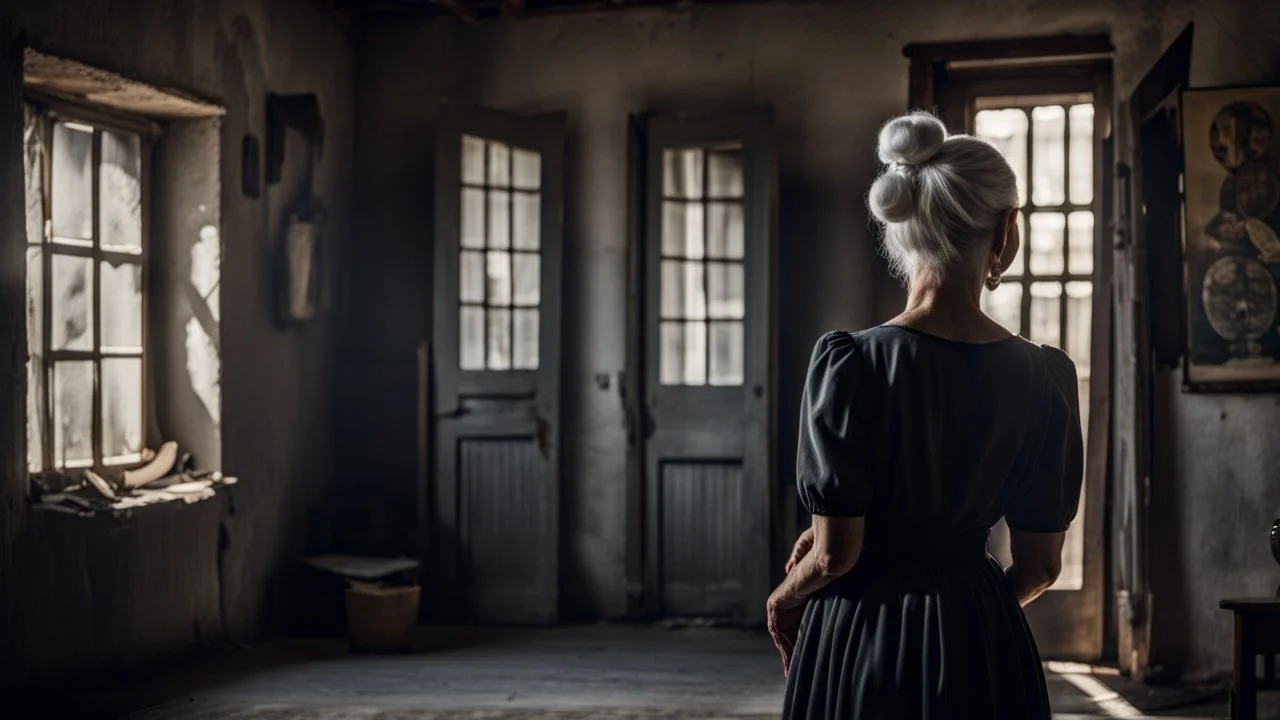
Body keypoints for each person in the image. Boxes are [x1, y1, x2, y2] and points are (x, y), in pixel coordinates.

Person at [766, 111, 1084, 719]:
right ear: (1007, 231)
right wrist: (968, 620)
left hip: (861, 637)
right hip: (982, 648)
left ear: (904, 227)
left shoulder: (850, 364)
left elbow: (836, 554)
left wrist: (784, 597)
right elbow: (1041, 565)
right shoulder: (1046, 377)